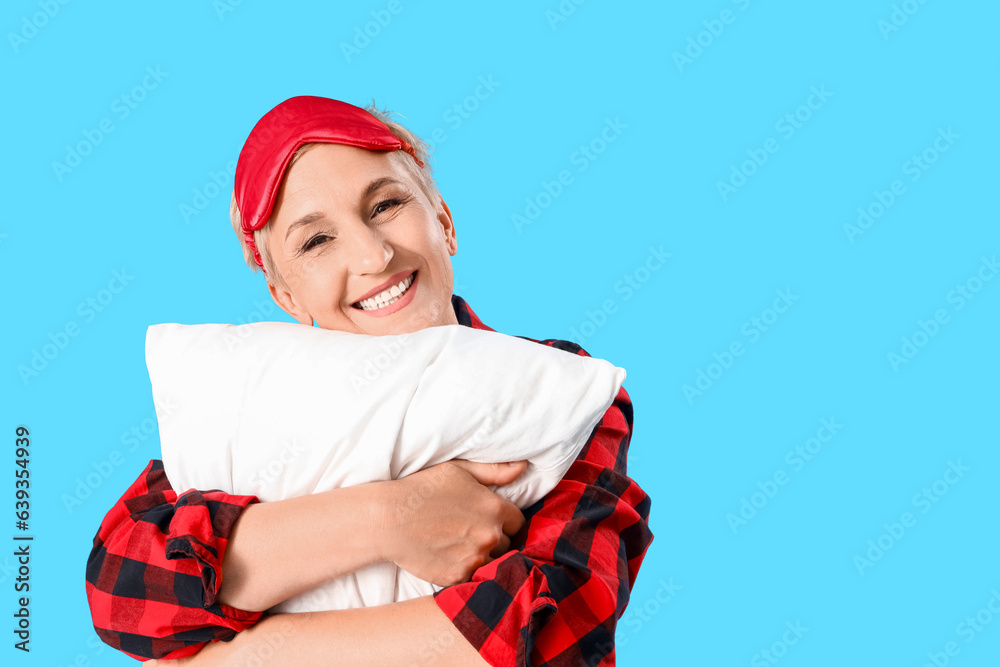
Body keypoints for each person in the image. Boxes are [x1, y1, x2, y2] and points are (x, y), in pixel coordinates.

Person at [85, 96, 654, 667]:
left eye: (385, 205)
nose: (373, 254)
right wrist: (389, 518)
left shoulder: (552, 384)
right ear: (287, 298)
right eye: (315, 241)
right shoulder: (252, 406)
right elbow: (121, 590)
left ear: (445, 223)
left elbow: (550, 632)